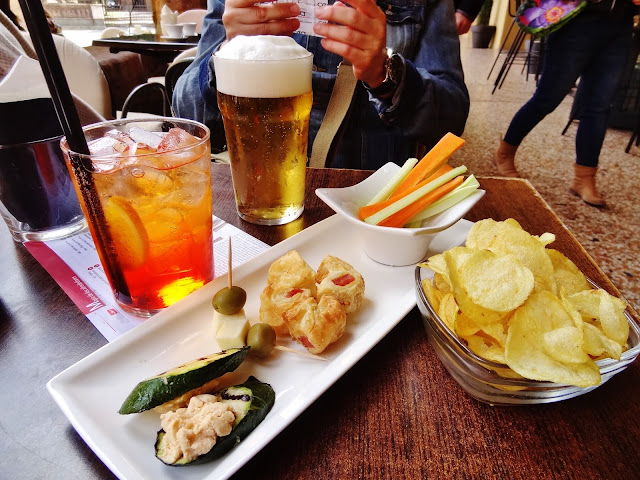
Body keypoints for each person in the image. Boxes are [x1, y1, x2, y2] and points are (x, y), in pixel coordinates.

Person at [172, 0, 470, 170]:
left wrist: (385, 72)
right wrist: (229, 54)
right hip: (259, 191)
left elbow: (452, 120)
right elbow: (188, 116)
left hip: (371, 198)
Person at [494, 0, 639, 207]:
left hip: (620, 24)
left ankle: (584, 177)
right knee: (547, 98)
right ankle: (504, 153)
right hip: (576, 19)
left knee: (599, 107)